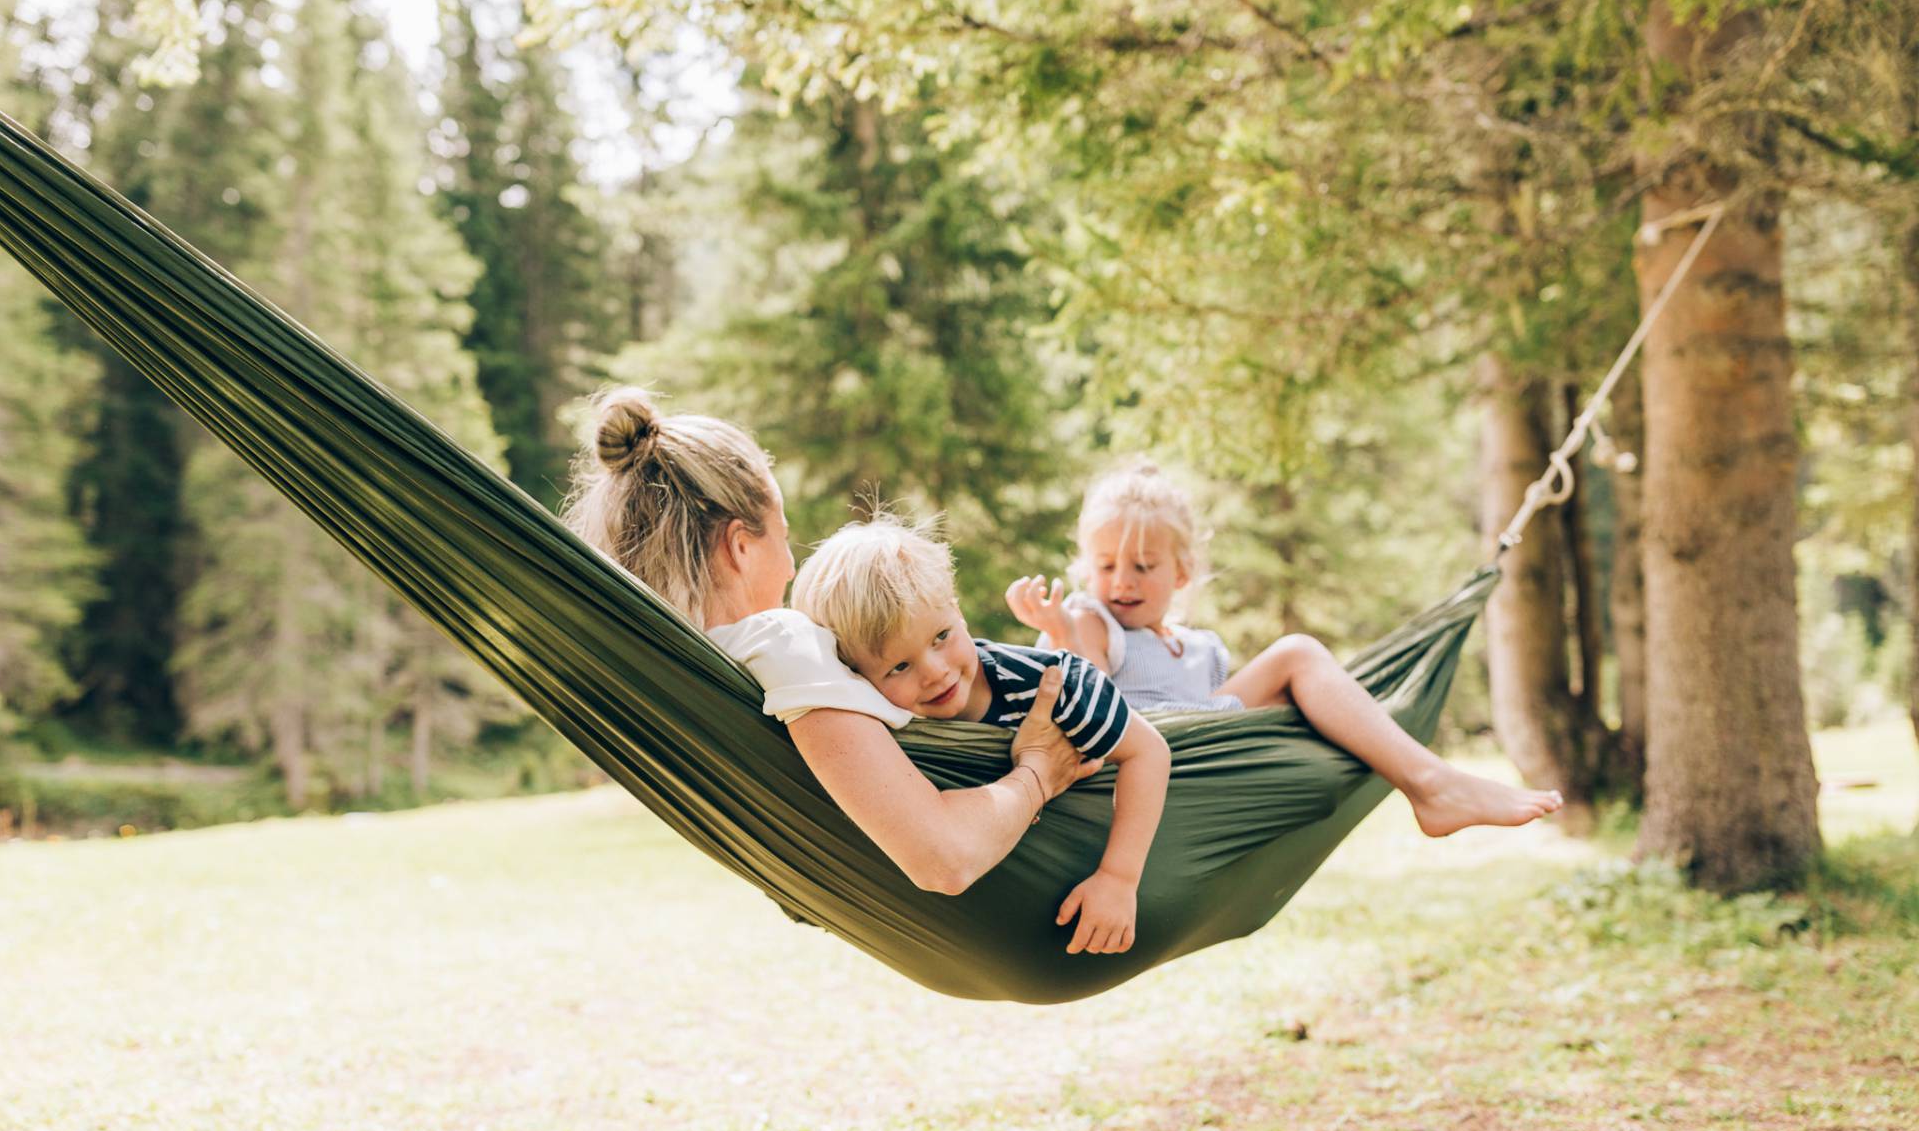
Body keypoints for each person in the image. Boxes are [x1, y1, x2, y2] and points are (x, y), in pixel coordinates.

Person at [561, 387, 1110, 915]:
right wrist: (1039, 773)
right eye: (783, 533)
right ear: (741, 546)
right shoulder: (783, 646)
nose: (791, 564)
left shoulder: (663, 667)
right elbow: (944, 858)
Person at [1006, 462, 1564, 837]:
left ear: (1182, 572)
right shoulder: (1089, 619)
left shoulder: (1199, 647)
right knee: (1296, 652)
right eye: (1106, 566)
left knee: (1299, 657)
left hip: (1212, 753)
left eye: (1142, 566)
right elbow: (1089, 702)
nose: (1121, 581)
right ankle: (1434, 784)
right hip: (1148, 750)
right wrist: (1062, 637)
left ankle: (1425, 781)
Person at [792, 516, 1171, 955]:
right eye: (899, 666)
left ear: (958, 608)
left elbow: (1148, 752)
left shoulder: (1056, 685)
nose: (935, 673)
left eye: (941, 636)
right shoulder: (867, 727)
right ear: (857, 676)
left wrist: (1119, 878)